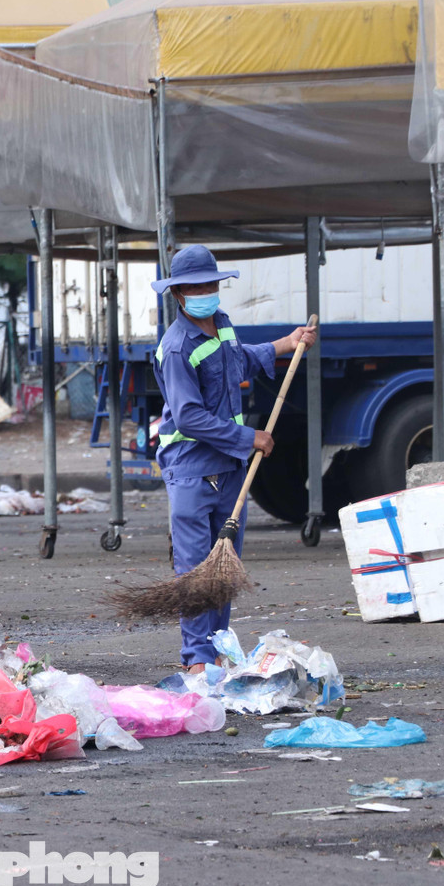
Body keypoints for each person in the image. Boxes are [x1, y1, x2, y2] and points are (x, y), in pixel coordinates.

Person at [151, 245, 317, 673]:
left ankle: (219, 651)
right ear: (179, 294)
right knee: (195, 569)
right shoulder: (176, 348)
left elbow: (238, 358)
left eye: (211, 283)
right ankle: (196, 659)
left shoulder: (221, 325)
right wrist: (249, 437)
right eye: (197, 286)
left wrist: (287, 343)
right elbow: (188, 416)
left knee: (224, 565)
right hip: (190, 468)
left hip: (229, 467)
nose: (207, 291)